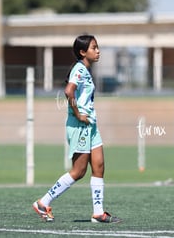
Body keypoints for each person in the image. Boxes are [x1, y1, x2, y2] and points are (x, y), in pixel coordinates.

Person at [32, 34, 121, 223]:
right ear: (83, 52)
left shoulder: (86, 71)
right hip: (80, 125)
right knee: (79, 171)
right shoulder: (79, 69)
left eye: (97, 47)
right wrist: (78, 113)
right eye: (94, 48)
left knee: (99, 166)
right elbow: (68, 91)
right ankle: (43, 202)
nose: (98, 51)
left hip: (91, 125)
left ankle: (98, 213)